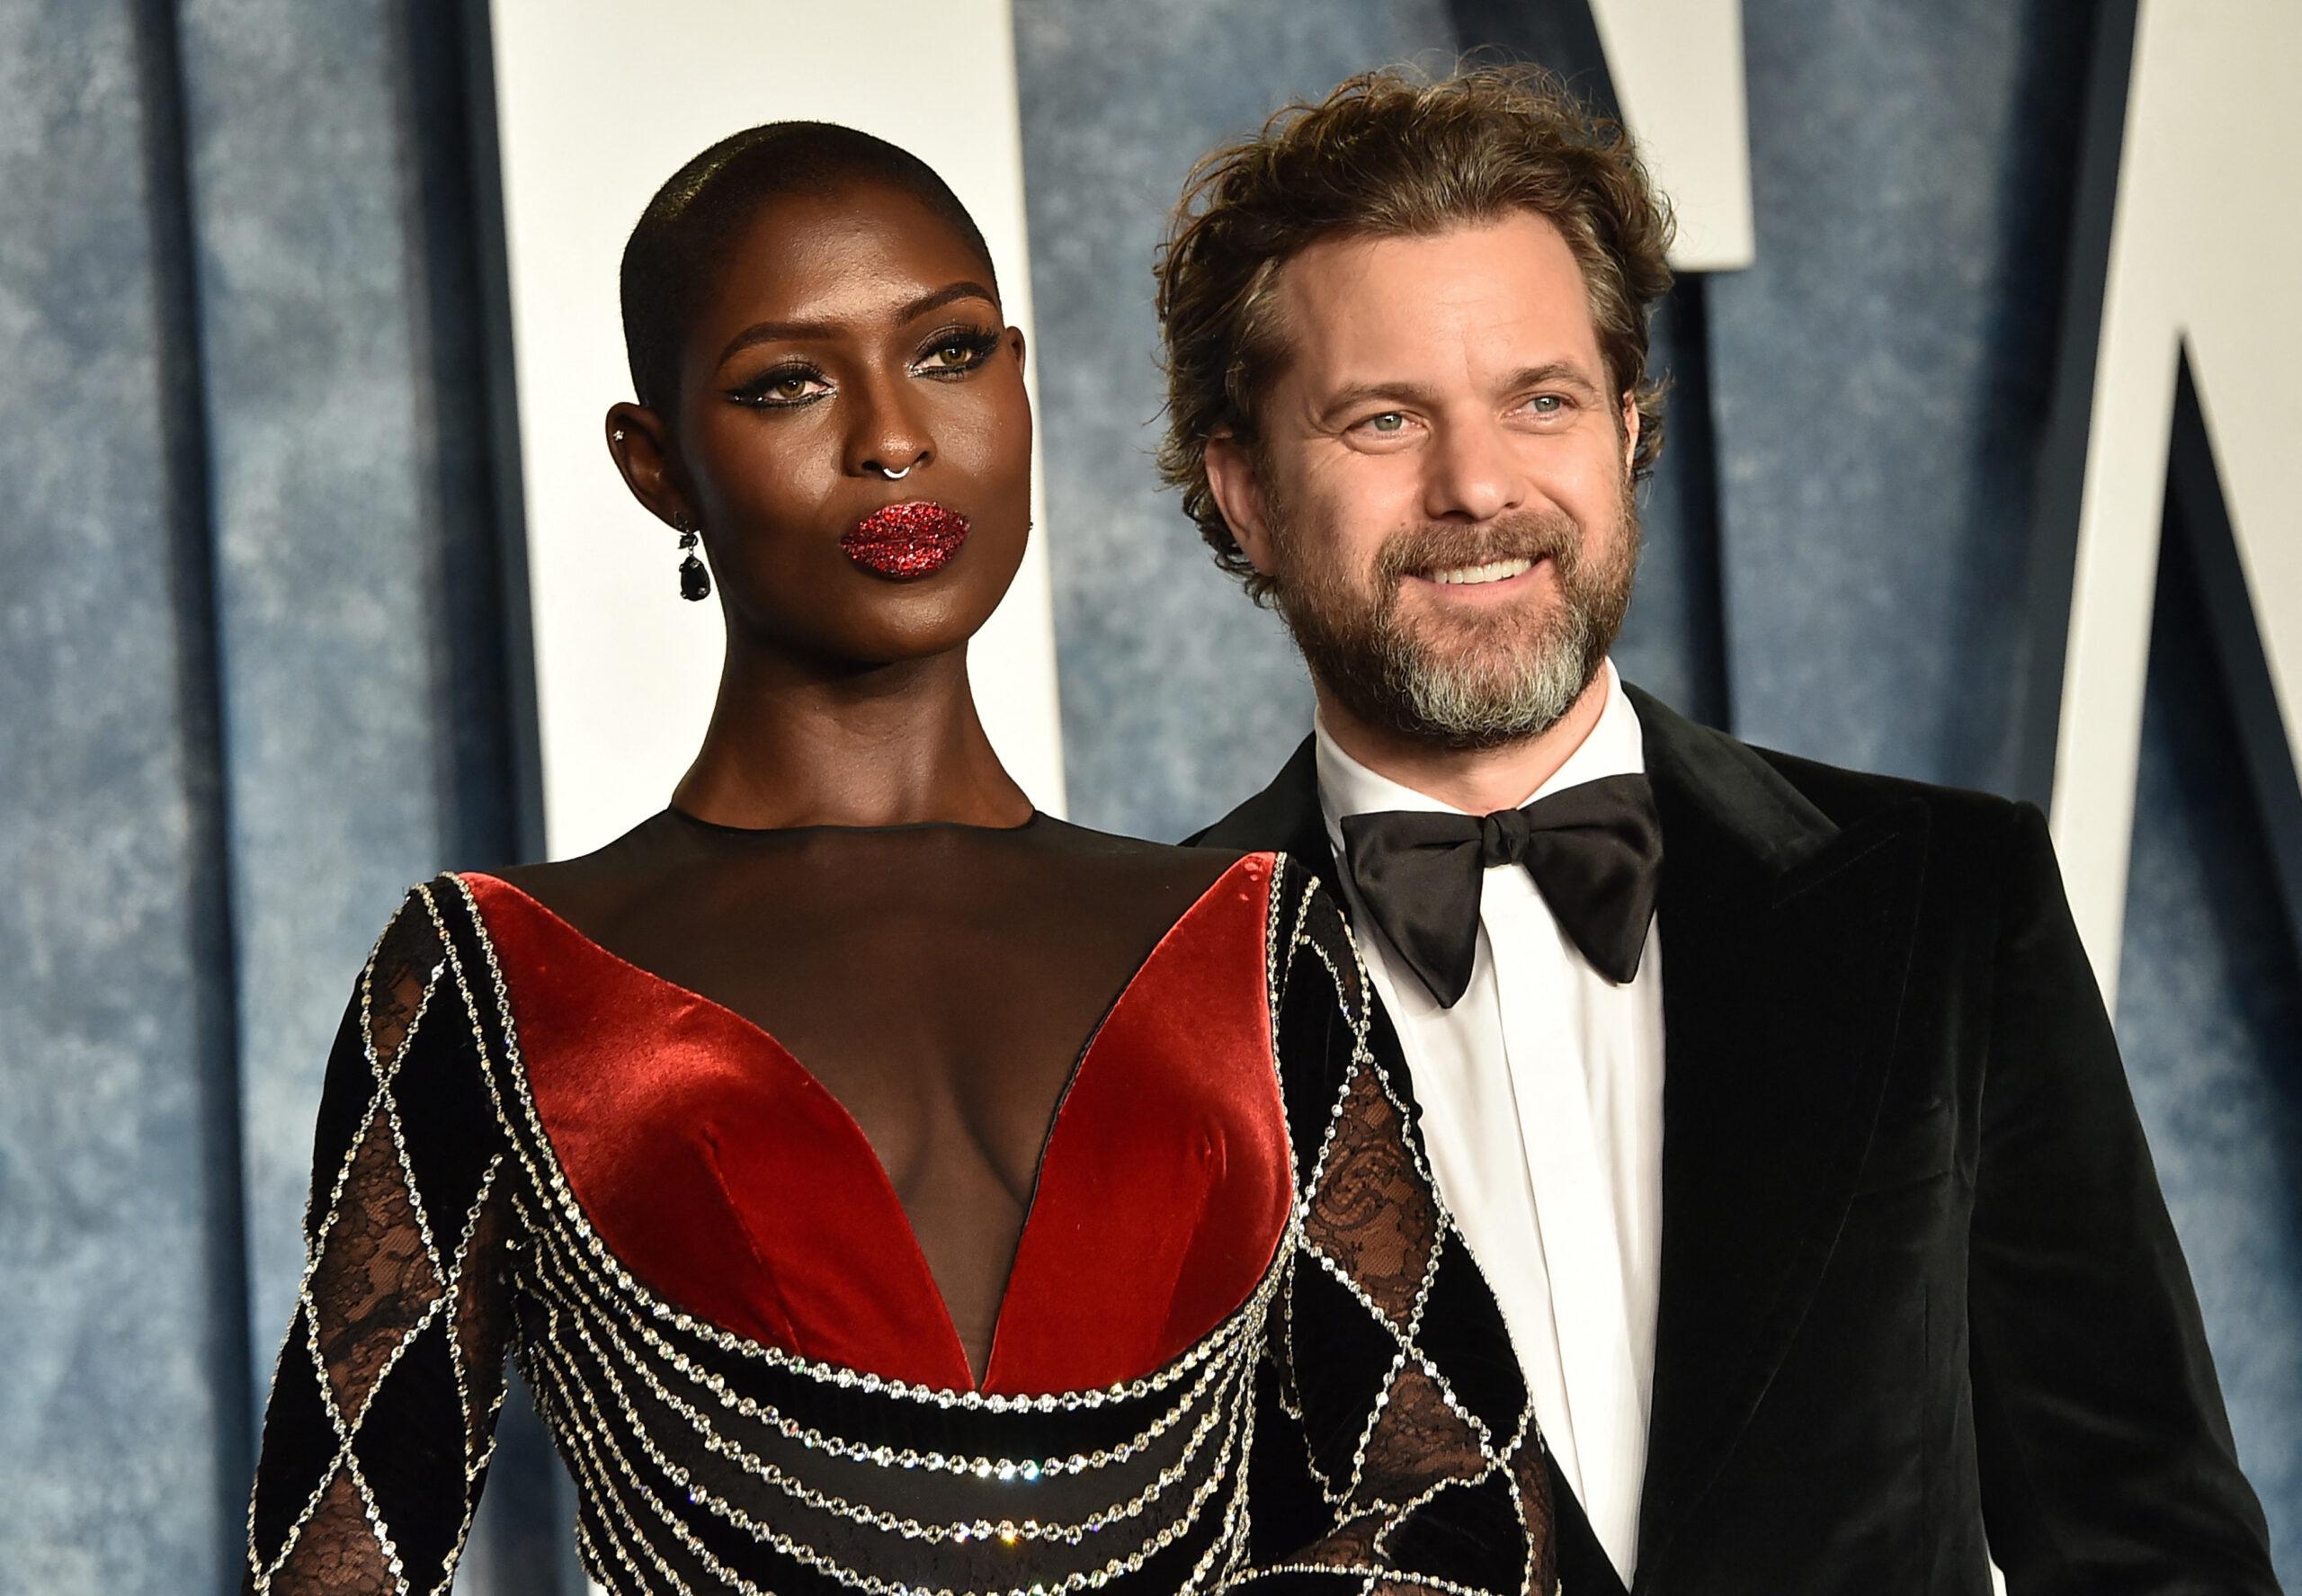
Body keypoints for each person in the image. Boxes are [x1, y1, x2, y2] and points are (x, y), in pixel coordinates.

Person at [241, 124, 1551, 1594]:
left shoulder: (1249, 940)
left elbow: (1471, 1512)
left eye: (947, 353)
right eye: (786, 384)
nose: (892, 438)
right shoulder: (495, 975)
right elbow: (335, 1565)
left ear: (1022, 380)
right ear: (654, 462)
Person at [1168, 67, 2282, 1596]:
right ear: (1241, 491)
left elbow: (2150, 1541)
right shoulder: (1132, 986)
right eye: (1383, 418)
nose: (1478, 484)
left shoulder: (1948, 905)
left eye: (1540, 400)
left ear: (1627, 431)